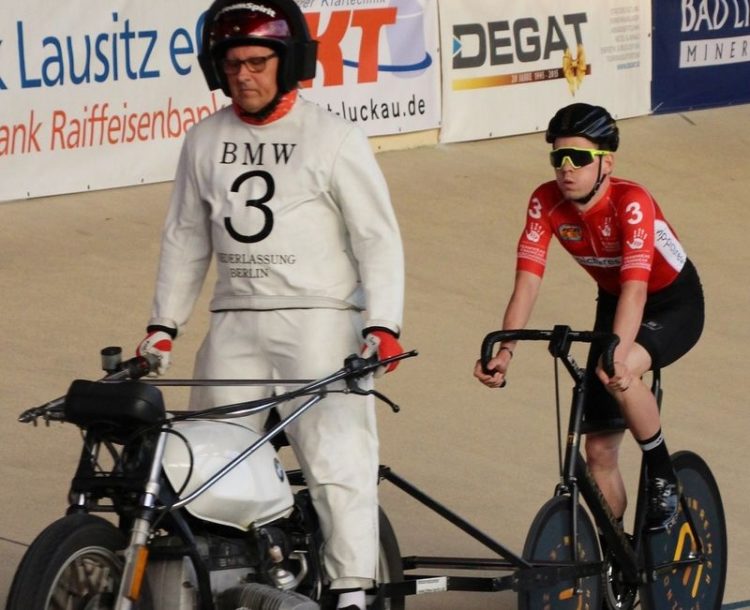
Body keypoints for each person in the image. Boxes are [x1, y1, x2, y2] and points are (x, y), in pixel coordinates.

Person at [135, 1, 405, 608]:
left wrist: (383, 324)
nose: (244, 76)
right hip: (234, 321)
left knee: (338, 458)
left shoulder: (333, 137)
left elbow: (377, 238)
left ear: (287, 63)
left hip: (320, 319)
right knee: (202, 467)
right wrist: (163, 325)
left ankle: (354, 591)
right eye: (232, 65)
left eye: (257, 62)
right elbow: (185, 236)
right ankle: (231, 582)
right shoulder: (203, 140)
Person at [474, 103, 704, 533]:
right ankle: (616, 554)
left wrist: (617, 356)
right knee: (598, 453)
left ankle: (662, 473)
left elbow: (636, 289)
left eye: (578, 158)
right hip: (615, 298)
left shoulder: (632, 202)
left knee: (618, 370)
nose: (566, 168)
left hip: (672, 303)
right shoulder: (544, 202)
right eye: (558, 158)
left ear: (606, 164)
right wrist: (506, 350)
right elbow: (526, 284)